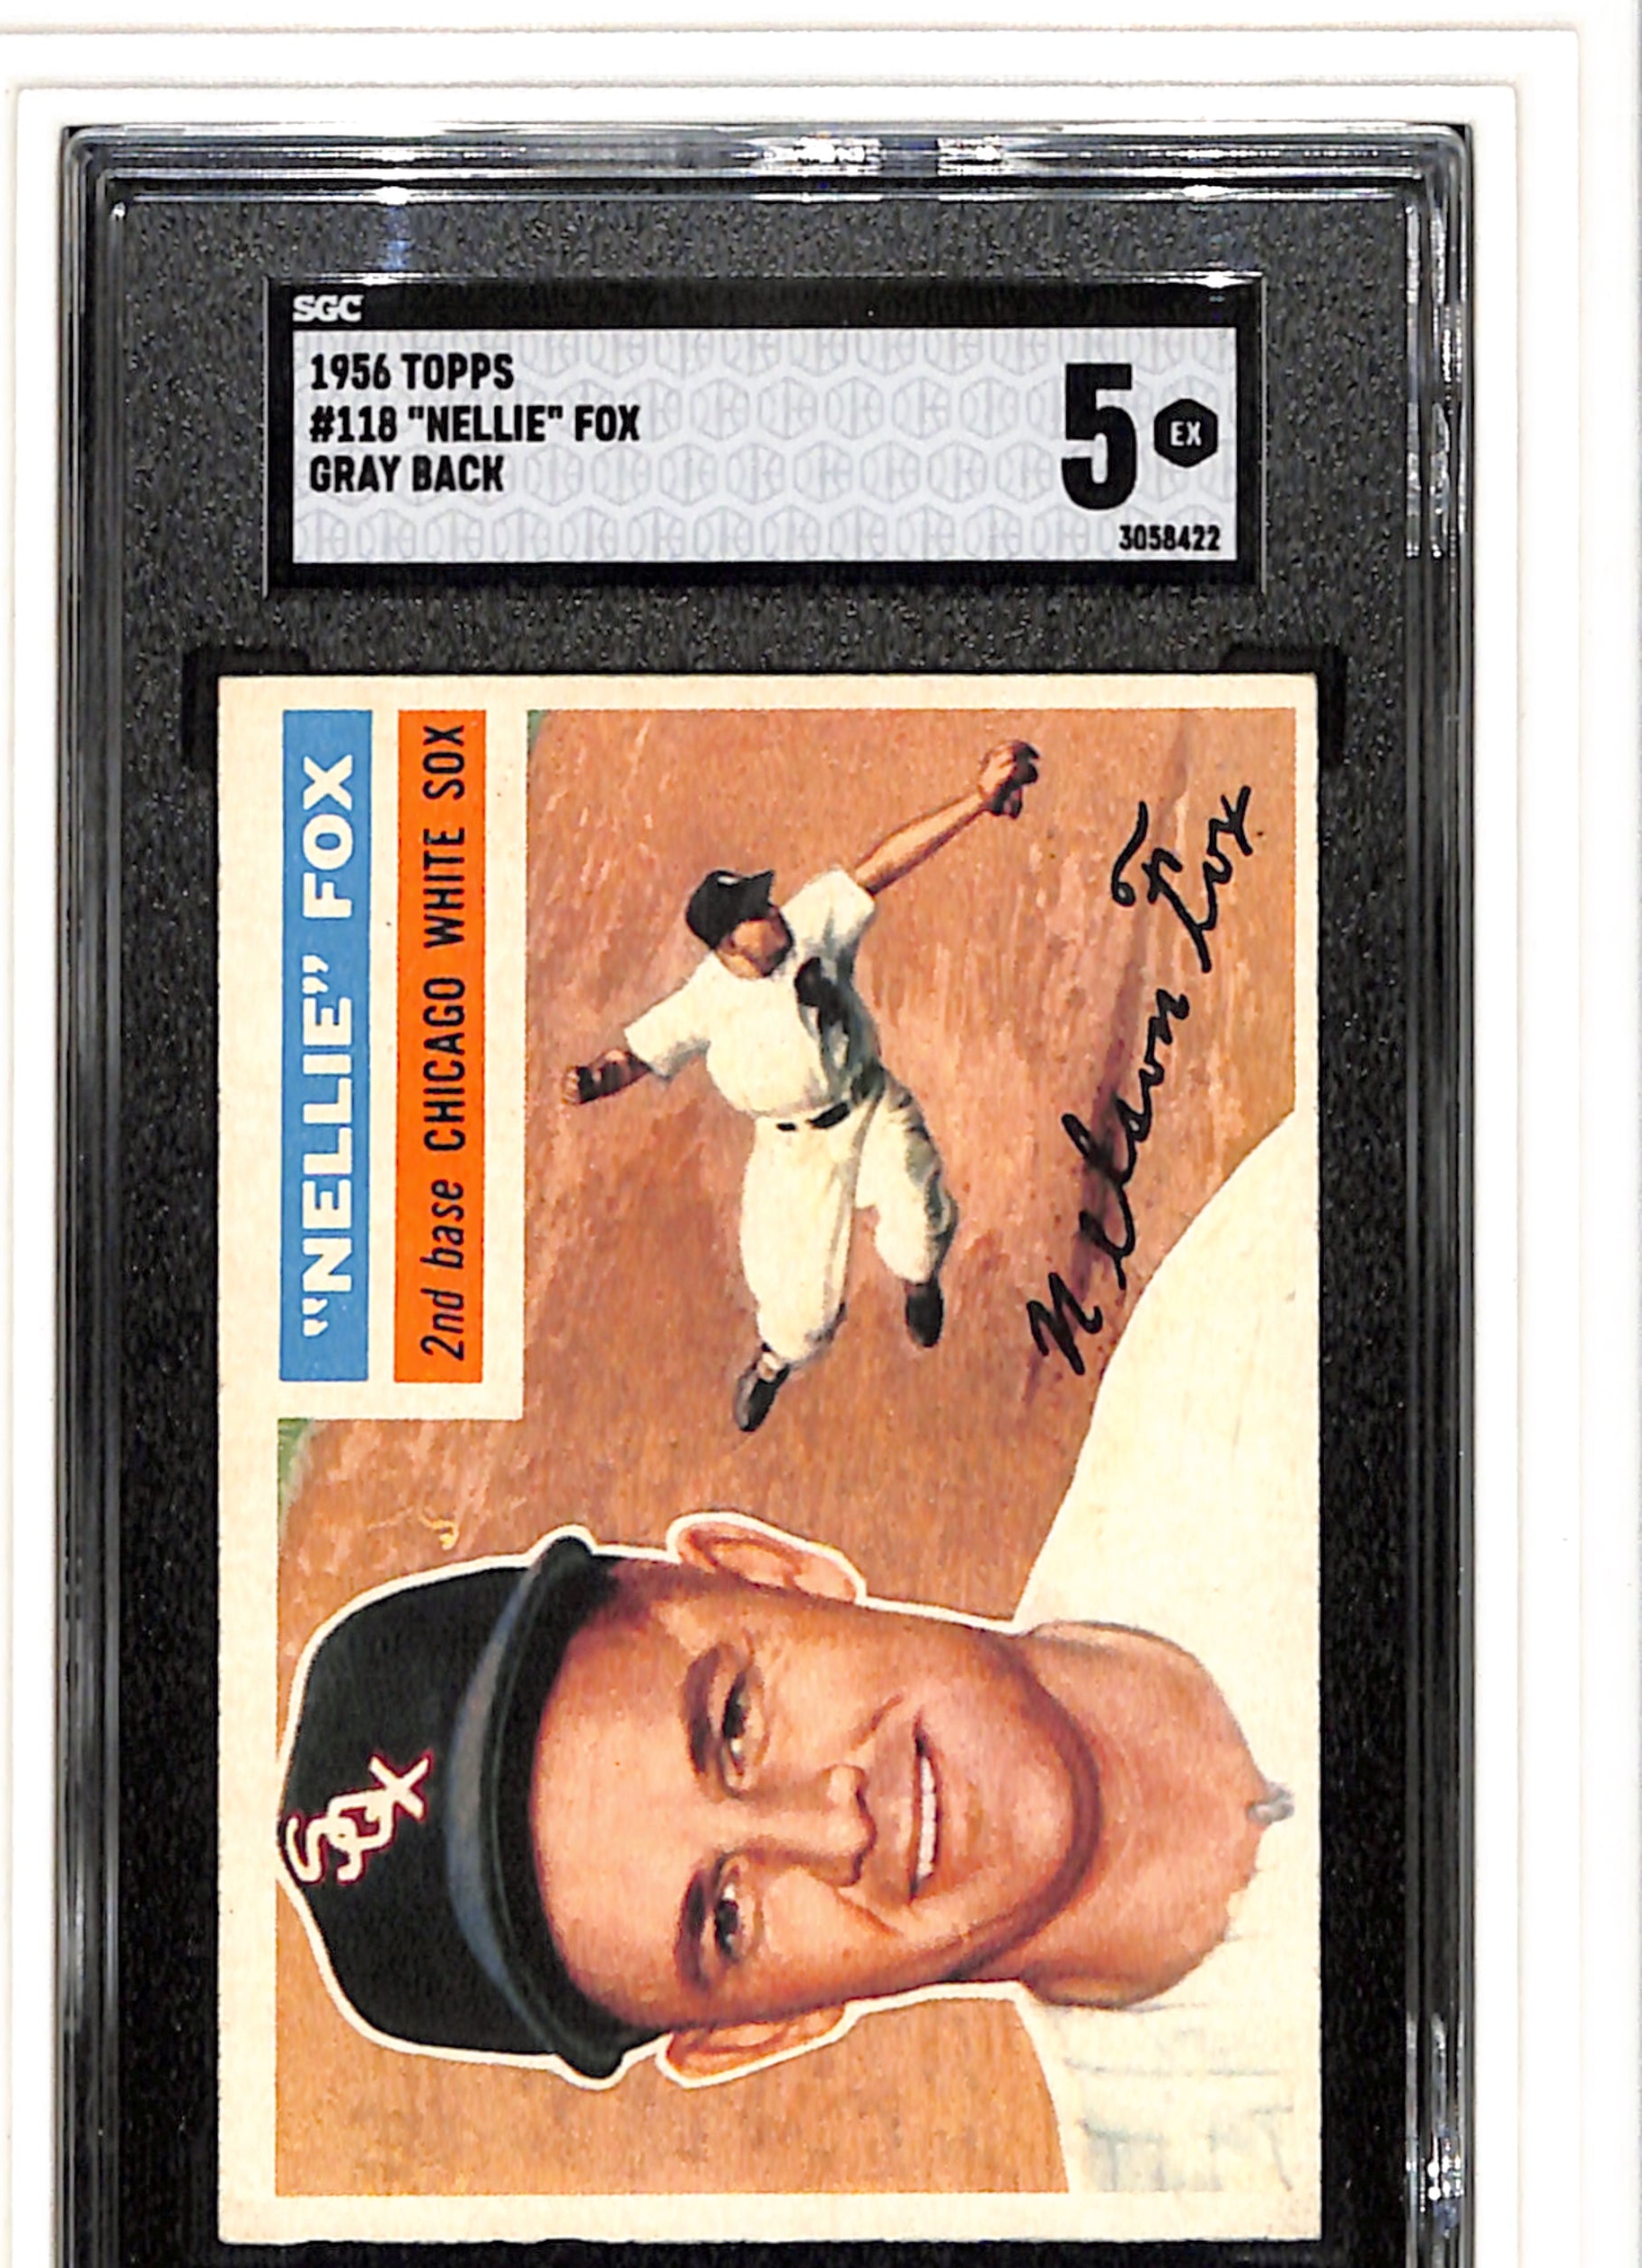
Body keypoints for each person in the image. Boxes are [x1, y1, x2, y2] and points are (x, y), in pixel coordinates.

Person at [277, 1500, 1290, 2092]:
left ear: (768, 1568)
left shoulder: (1254, 1346)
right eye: (725, 1919)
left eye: (734, 1722)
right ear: (762, 2033)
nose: (837, 1827)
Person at [560, 740, 1040, 1432]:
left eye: (766, 899)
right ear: (730, 943)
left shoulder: (810, 922)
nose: (774, 911)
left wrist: (976, 799)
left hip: (867, 1105)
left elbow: (884, 865)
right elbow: (635, 1055)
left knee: (920, 1211)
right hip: (793, 1153)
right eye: (756, 911)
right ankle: (774, 1361)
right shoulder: (706, 1000)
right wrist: (595, 1079)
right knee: (802, 1310)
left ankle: (919, 1282)